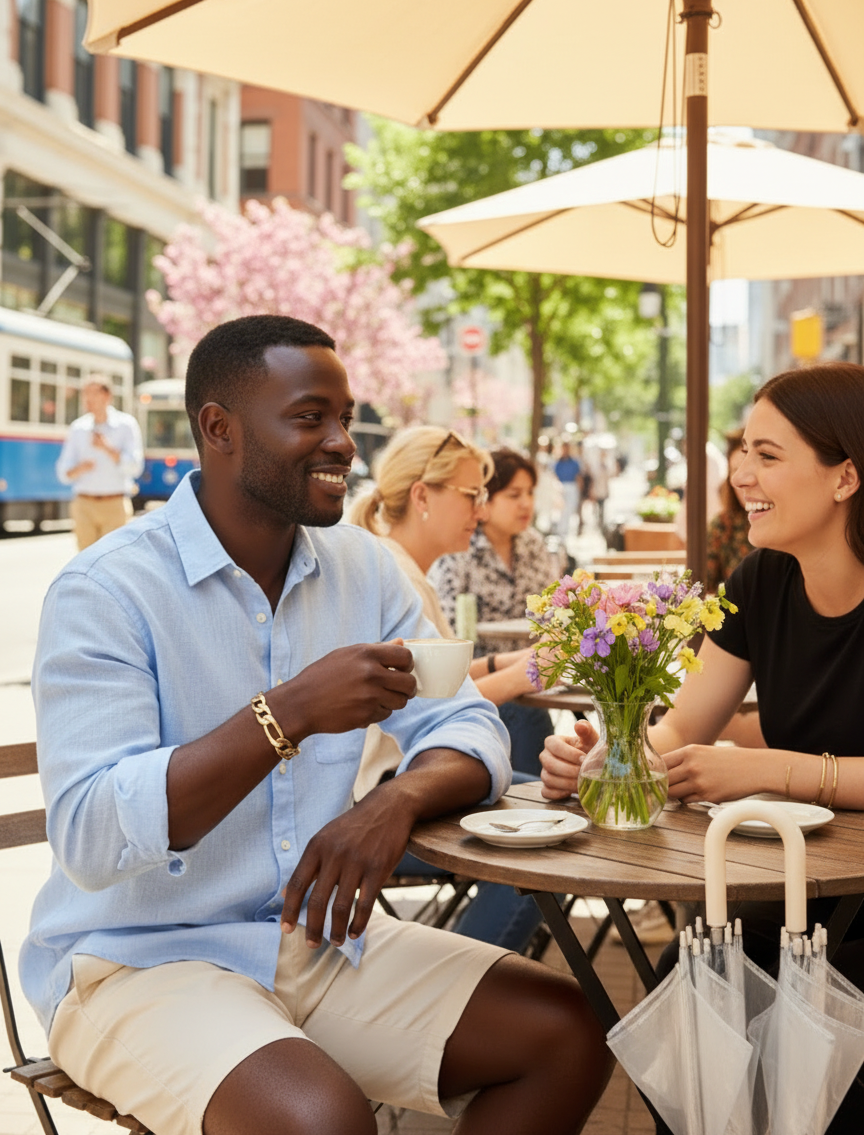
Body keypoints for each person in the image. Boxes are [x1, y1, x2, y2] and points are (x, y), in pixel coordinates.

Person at [24, 315, 611, 1135]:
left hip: (312, 939)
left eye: (344, 418)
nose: (342, 442)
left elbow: (470, 726)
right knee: (321, 1121)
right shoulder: (108, 590)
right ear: (218, 429)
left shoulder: (362, 570)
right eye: (310, 418)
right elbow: (89, 834)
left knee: (568, 1033)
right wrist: (288, 714)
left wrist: (390, 806)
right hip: (135, 961)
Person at [540, 360, 864, 1135]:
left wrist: (770, 772)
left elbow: (746, 759)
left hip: (842, 908)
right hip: (786, 886)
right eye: (742, 451)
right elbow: (681, 728)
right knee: (691, 1033)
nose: (740, 473)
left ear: (846, 475)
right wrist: (609, 756)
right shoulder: (760, 582)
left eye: (768, 454)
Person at [350, 431, 550, 955]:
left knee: (547, 795)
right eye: (470, 495)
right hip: (385, 790)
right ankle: (468, 974)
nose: (480, 511)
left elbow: (438, 680)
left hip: (400, 777)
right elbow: (438, 703)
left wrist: (508, 663)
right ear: (422, 496)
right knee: (542, 838)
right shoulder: (395, 574)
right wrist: (525, 673)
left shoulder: (396, 565)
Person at [430, 447, 561, 778]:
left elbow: (557, 610)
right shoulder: (460, 548)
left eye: (530, 493)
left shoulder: (532, 545)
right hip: (480, 684)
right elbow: (448, 634)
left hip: (536, 676)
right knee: (526, 715)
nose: (526, 503)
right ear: (485, 501)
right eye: (514, 494)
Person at [55, 373, 144, 549]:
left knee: (114, 560)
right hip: (84, 505)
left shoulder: (126, 425)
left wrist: (108, 449)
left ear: (107, 396)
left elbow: (135, 467)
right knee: (84, 562)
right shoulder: (78, 428)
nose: (88, 398)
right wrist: (79, 469)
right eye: (85, 393)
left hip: (115, 505)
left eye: (94, 393)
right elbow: (63, 473)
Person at [705, 426, 754, 594]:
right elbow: (703, 588)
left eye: (750, 470)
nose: (741, 480)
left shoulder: (787, 523)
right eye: (735, 470)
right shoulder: (723, 525)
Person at [554, 439, 581, 540]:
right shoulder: (557, 463)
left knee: (569, 511)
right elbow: (554, 476)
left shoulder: (574, 462)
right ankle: (560, 533)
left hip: (572, 487)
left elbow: (578, 477)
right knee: (561, 511)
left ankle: (565, 534)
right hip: (561, 487)